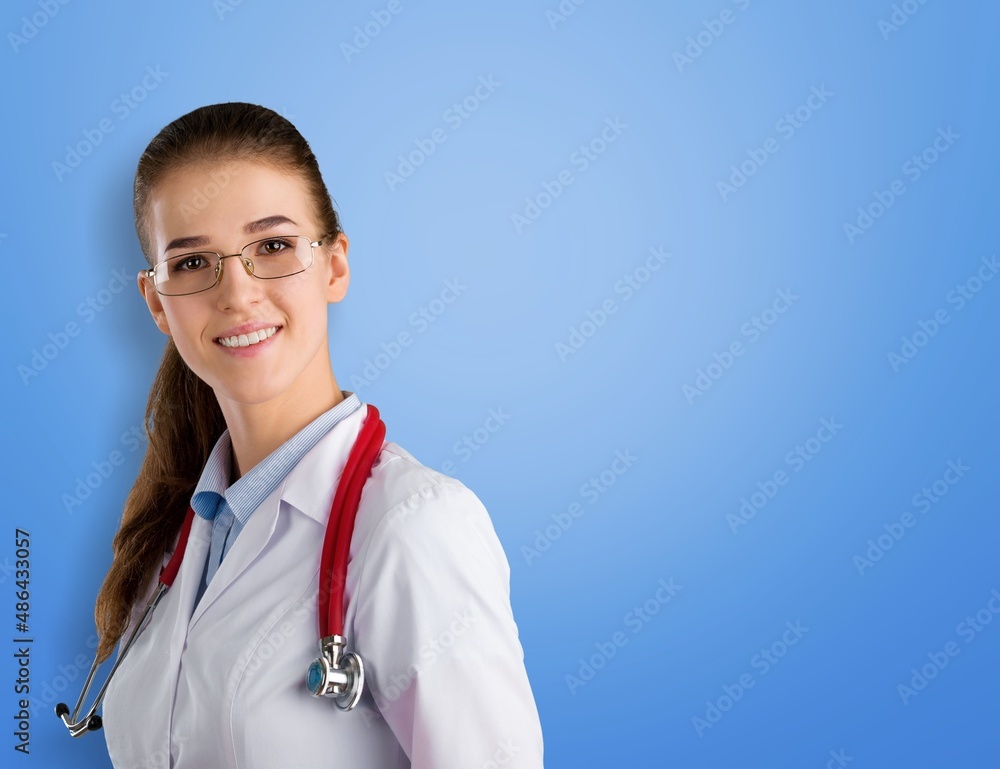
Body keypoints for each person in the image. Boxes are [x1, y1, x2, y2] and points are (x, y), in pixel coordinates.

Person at [94, 102, 544, 768]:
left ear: (334, 264)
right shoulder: (173, 536)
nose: (238, 294)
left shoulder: (413, 526)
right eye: (192, 263)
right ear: (157, 302)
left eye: (272, 246)